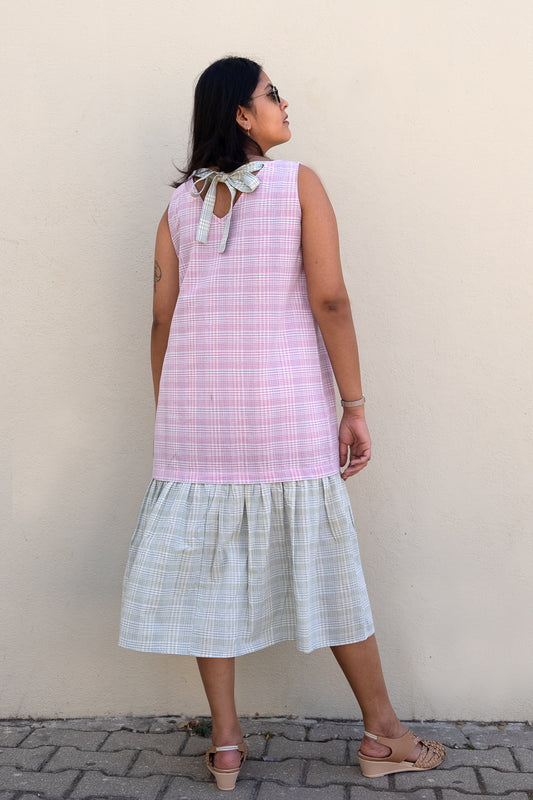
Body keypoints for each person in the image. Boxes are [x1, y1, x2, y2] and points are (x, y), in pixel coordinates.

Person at [119, 56, 445, 790]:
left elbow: (161, 319)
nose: (284, 102)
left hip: (196, 421)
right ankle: (383, 734)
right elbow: (330, 300)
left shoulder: (177, 208)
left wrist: (171, 412)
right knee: (327, 567)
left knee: (208, 575)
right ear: (242, 113)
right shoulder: (299, 184)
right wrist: (353, 405)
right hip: (283, 411)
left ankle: (226, 744)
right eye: (272, 93)